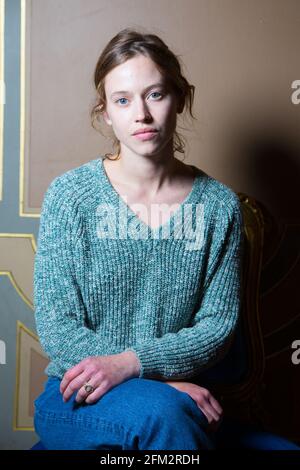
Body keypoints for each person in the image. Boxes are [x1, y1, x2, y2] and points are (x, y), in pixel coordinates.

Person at [33, 27, 244, 450]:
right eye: (123, 100)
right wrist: (160, 384)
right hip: (77, 393)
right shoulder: (70, 196)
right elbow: (57, 325)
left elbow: (217, 327)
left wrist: (135, 367)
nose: (141, 115)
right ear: (106, 112)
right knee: (164, 415)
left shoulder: (219, 207)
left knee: (166, 414)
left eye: (156, 94)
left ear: (180, 97)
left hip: (173, 394)